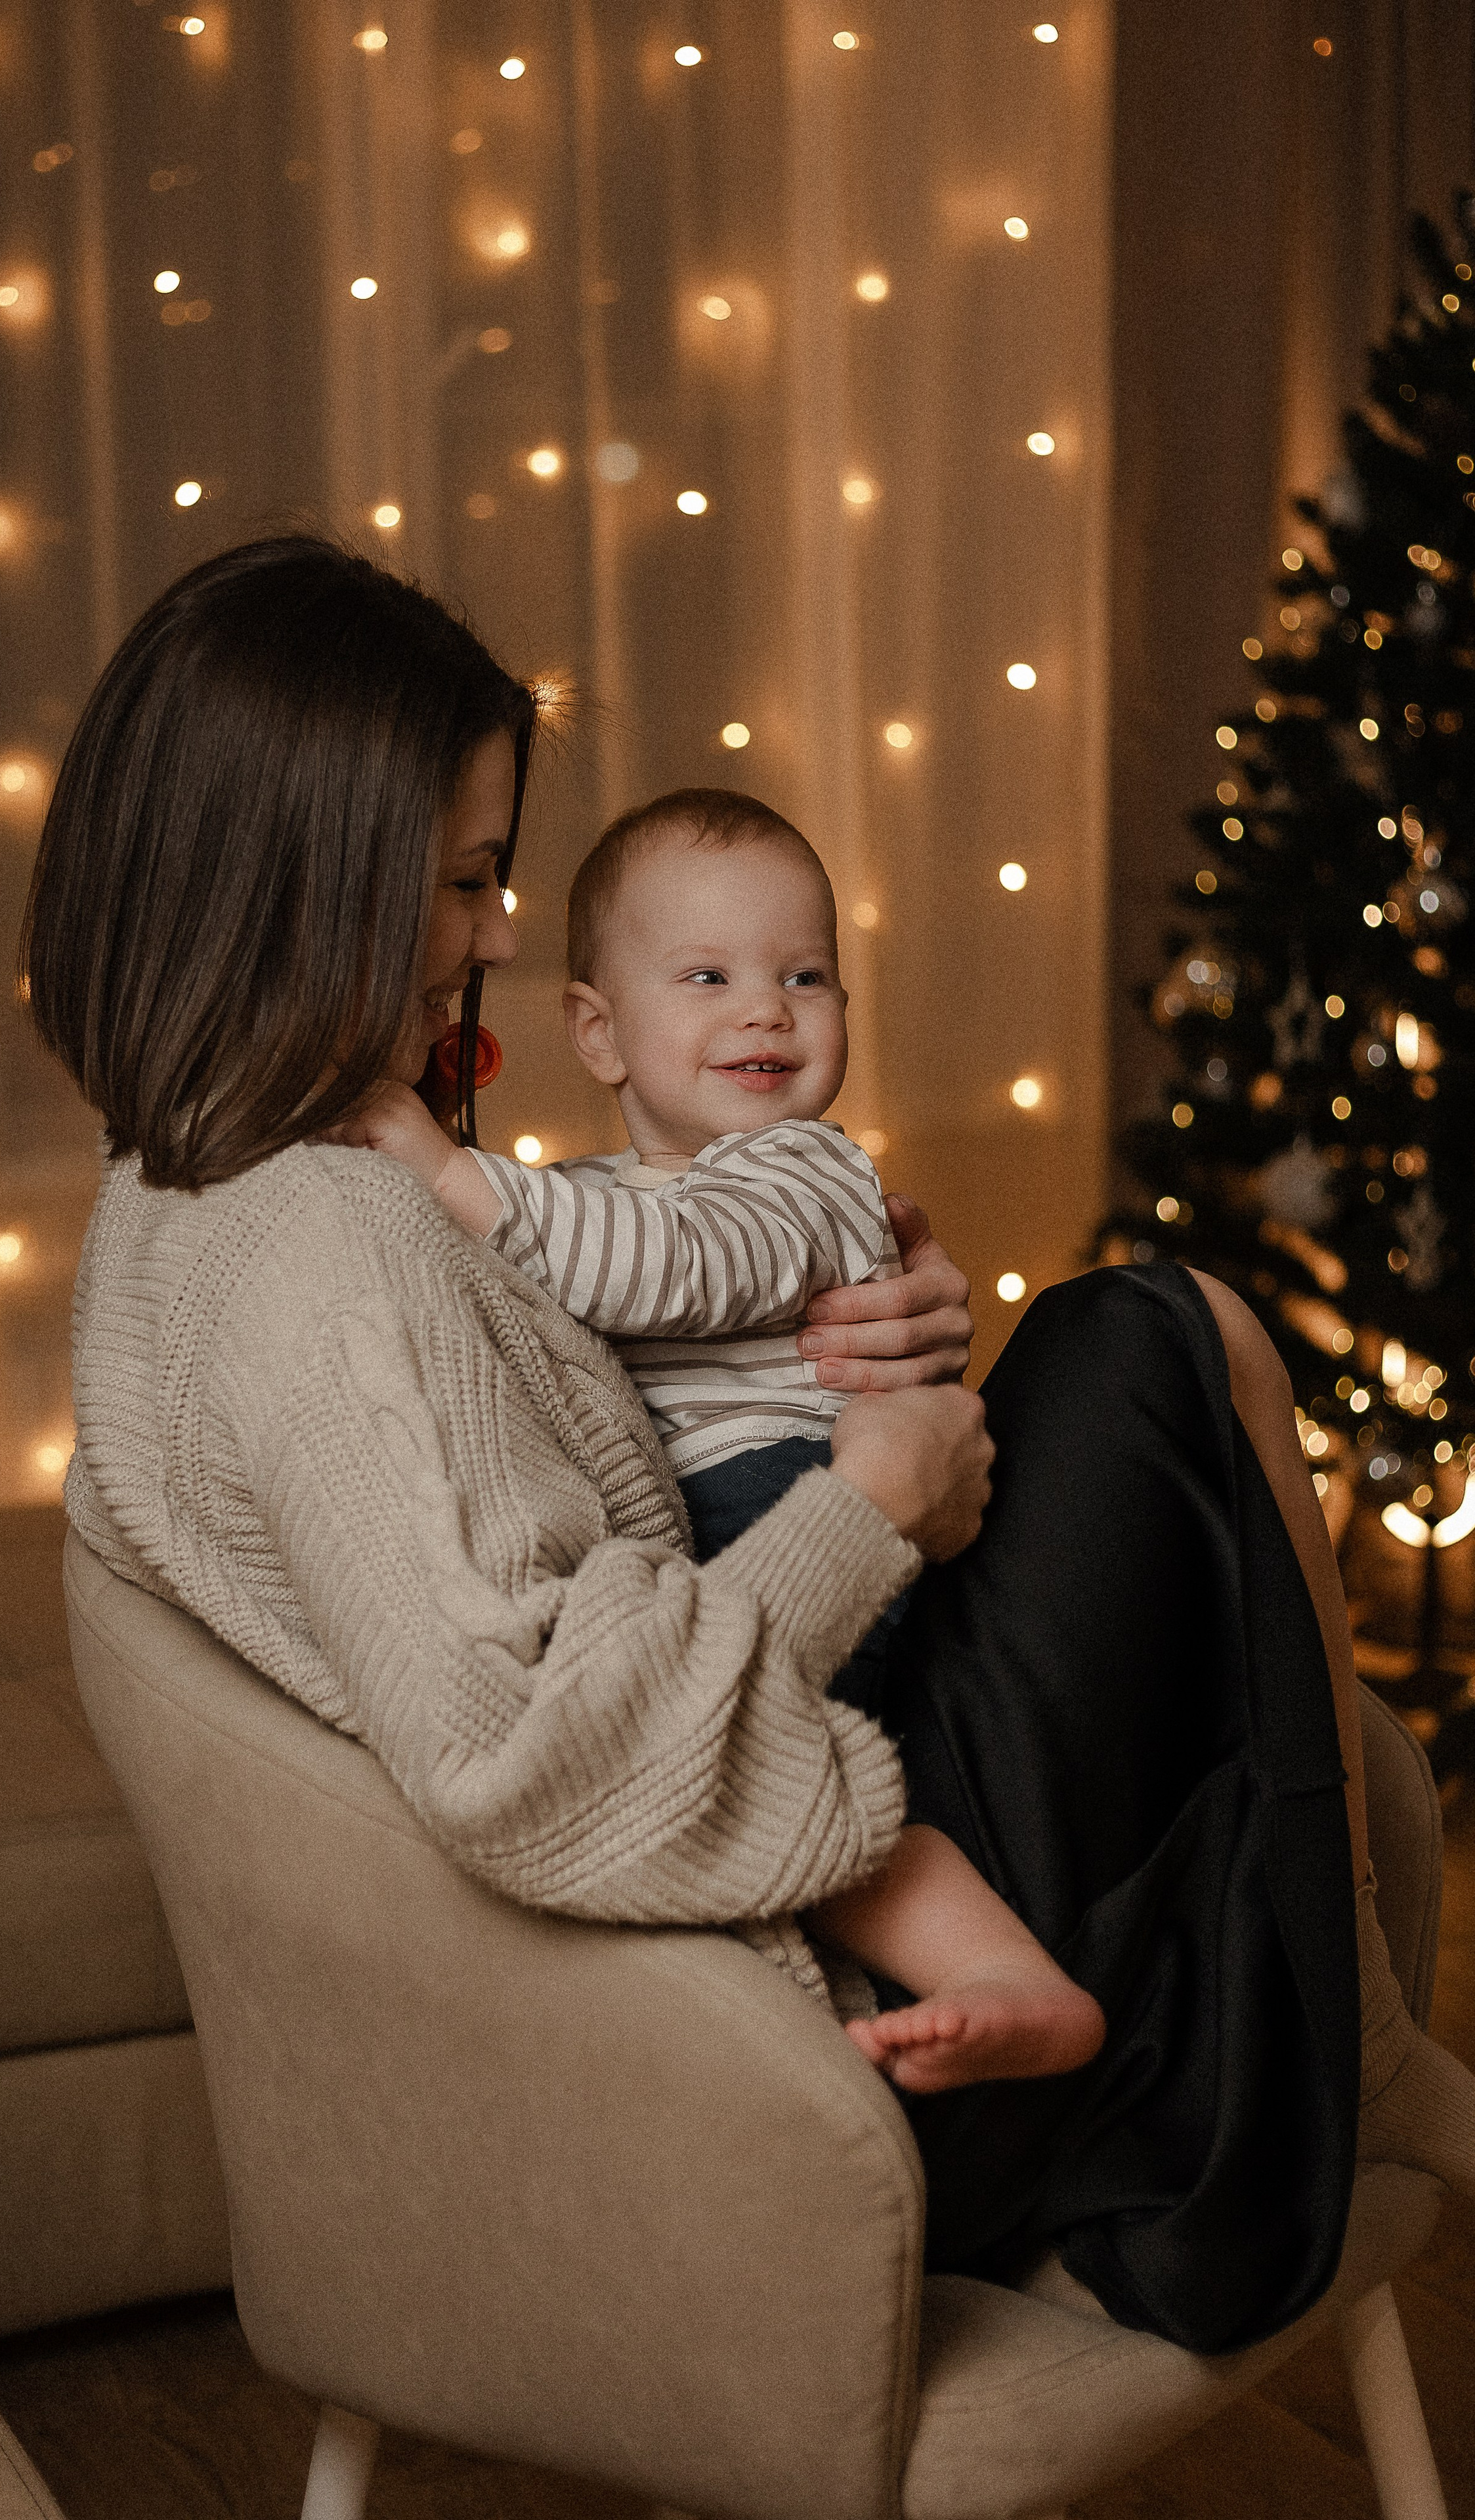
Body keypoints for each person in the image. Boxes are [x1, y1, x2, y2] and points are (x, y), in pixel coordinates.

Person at [26, 535, 1475, 2361]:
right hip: (788, 2040)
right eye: (466, 880)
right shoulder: (320, 1252)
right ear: (307, 872)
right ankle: (1350, 2044)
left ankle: (1337, 2034)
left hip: (753, 1909)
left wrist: (871, 1344)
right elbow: (540, 1757)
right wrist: (873, 1501)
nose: (487, 933)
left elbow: (558, 1446)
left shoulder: (198, 1194)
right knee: (1165, 1336)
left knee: (1124, 1377)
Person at [342, 784, 1107, 2097]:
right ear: (598, 1033)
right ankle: (995, 1978)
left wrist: (442, 1170)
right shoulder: (573, 1200)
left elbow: (675, 1269)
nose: (764, 1009)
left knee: (767, 1757)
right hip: (700, 1536)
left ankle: (999, 1980)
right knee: (793, 1789)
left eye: (803, 976)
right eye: (707, 975)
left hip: (790, 1504)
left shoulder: (799, 1173)